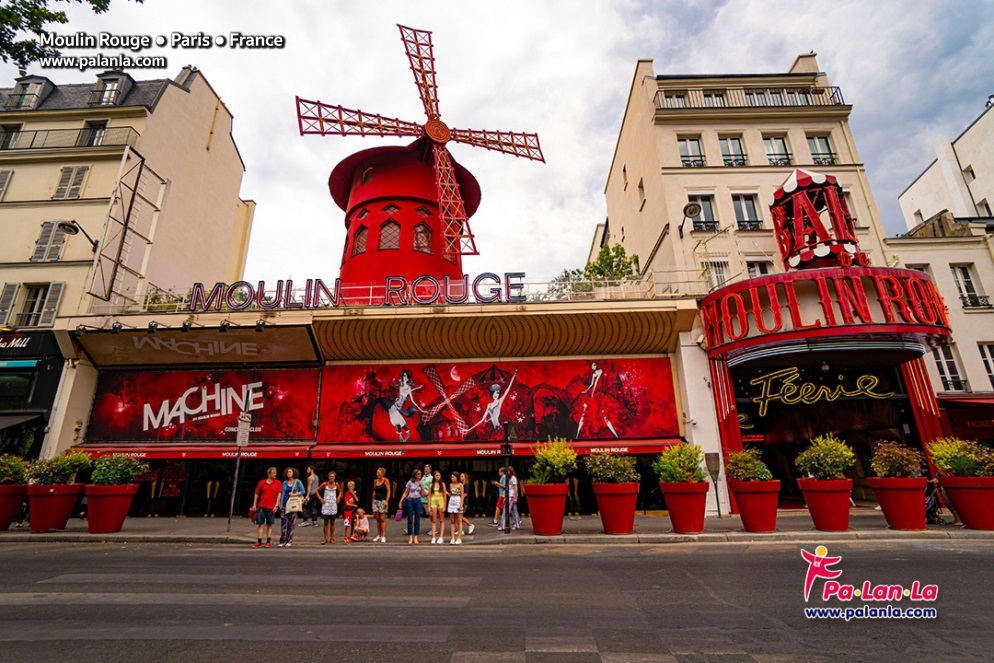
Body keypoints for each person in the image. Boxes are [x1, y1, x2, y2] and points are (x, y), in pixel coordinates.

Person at [388, 370, 426, 442]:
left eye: (405, 376)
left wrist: (421, 410)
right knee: (398, 421)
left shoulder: (408, 389)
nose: (404, 377)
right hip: (395, 407)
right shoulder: (401, 385)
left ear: (408, 377)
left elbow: (413, 400)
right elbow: (397, 383)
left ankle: (404, 436)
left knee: (398, 421)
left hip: (397, 408)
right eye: (403, 376)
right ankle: (403, 437)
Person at [251, 467, 281, 548]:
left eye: (275, 472)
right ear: (269, 474)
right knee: (260, 524)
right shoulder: (262, 482)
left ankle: (268, 541)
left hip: (271, 507)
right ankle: (259, 541)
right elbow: (256, 493)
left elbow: (279, 495)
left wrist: (276, 505)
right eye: (273, 473)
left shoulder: (278, 483)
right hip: (261, 506)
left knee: (269, 524)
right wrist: (254, 504)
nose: (275, 474)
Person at [278, 467, 305, 547]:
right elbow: (282, 493)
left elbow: (303, 491)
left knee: (291, 523)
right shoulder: (284, 482)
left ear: (293, 473)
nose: (288, 473)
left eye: (290, 472)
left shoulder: (297, 482)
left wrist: (295, 494)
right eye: (287, 472)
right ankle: (282, 540)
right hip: (284, 504)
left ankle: (289, 540)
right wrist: (280, 502)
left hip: (293, 505)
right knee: (283, 523)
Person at [399, 468, 424, 544]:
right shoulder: (410, 482)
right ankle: (410, 536)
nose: (420, 475)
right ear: (415, 474)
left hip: (418, 500)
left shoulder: (421, 482)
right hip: (410, 500)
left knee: (417, 519)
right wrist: (401, 501)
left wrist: (422, 487)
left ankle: (416, 536)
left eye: (420, 474)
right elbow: (406, 492)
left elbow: (422, 495)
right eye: (418, 474)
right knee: (410, 518)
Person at [316, 471, 341, 544]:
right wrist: (320, 498)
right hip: (326, 505)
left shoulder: (336, 484)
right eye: (330, 476)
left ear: (335, 477)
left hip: (333, 505)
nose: (331, 478)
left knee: (333, 522)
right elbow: (317, 490)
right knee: (326, 522)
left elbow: (340, 491)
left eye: (333, 476)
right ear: (328, 477)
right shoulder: (325, 484)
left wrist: (338, 498)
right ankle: (325, 538)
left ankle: (332, 538)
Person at [371, 466, 392, 543]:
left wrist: (387, 500)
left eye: (379, 473)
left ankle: (383, 535)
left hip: (383, 501)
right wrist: (373, 501)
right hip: (376, 501)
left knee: (382, 519)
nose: (377, 474)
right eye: (377, 473)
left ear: (382, 473)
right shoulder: (375, 481)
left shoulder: (386, 480)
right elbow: (374, 491)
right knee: (377, 518)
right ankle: (379, 535)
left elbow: (389, 491)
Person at [428, 470, 447, 544]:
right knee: (433, 520)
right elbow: (429, 496)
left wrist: (444, 506)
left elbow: (445, 496)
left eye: (439, 475)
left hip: (441, 502)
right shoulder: (431, 485)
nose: (438, 477)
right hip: (433, 502)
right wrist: (429, 507)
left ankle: (441, 537)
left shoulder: (443, 484)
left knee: (442, 520)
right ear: (434, 476)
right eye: (436, 475)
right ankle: (433, 537)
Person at [501, 466, 521, 531]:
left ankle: (504, 525)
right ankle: (517, 524)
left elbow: (516, 488)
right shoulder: (509, 478)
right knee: (514, 510)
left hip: (511, 495)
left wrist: (515, 497)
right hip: (510, 495)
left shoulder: (513, 478)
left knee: (506, 510)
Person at [447, 471, 464, 544]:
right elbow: (451, 494)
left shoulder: (460, 485)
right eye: (451, 477)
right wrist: (448, 494)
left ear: (457, 478)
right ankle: (452, 537)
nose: (452, 478)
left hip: (457, 500)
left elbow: (462, 496)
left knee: (459, 521)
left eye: (453, 477)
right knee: (452, 521)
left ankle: (459, 538)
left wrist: (461, 505)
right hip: (451, 501)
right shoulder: (450, 485)